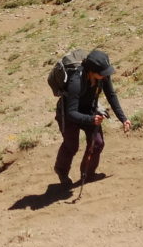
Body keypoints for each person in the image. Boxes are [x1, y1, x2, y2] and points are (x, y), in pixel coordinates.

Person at [54, 49, 132, 186]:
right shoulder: (75, 81)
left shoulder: (102, 76)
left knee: (97, 143)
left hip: (89, 110)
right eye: (102, 73)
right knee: (71, 146)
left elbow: (111, 95)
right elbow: (71, 112)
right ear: (91, 71)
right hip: (68, 115)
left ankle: (88, 174)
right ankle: (61, 172)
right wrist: (90, 119)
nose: (105, 75)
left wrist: (123, 118)